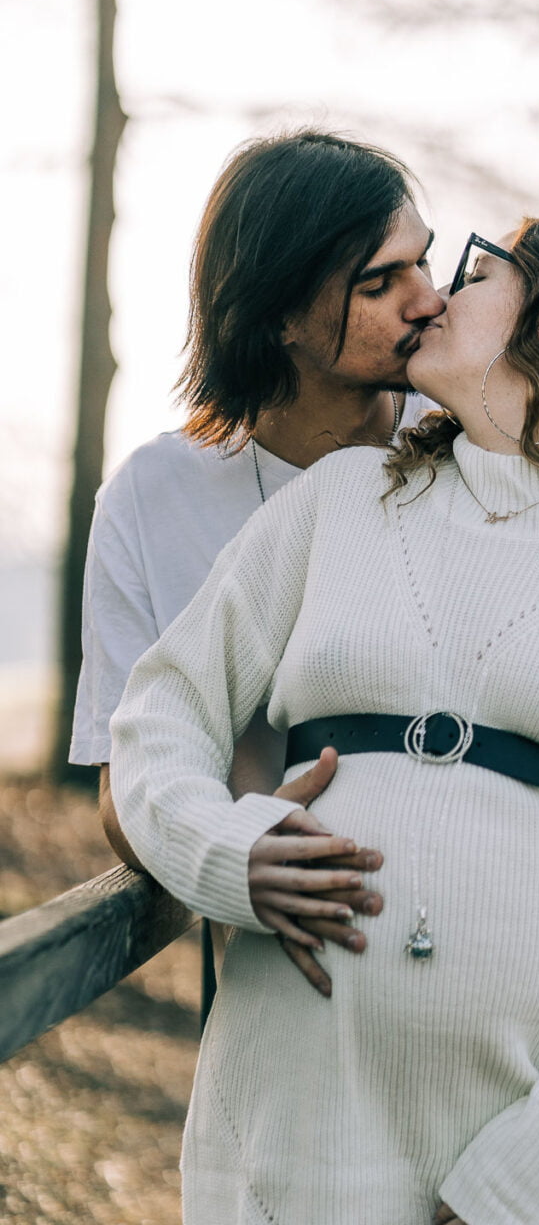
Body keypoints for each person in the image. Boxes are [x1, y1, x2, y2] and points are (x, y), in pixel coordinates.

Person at [109, 217, 539, 1225]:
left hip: (516, 1148)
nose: (432, 297)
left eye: (474, 272)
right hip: (290, 1122)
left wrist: (531, 1182)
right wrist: (225, 851)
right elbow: (161, 710)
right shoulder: (339, 500)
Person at [71, 129, 444, 994]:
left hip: (469, 949)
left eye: (424, 262)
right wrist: (230, 853)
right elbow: (125, 788)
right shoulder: (152, 497)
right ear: (280, 314)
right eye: (379, 283)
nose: (428, 301)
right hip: (277, 976)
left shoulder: (467, 451)